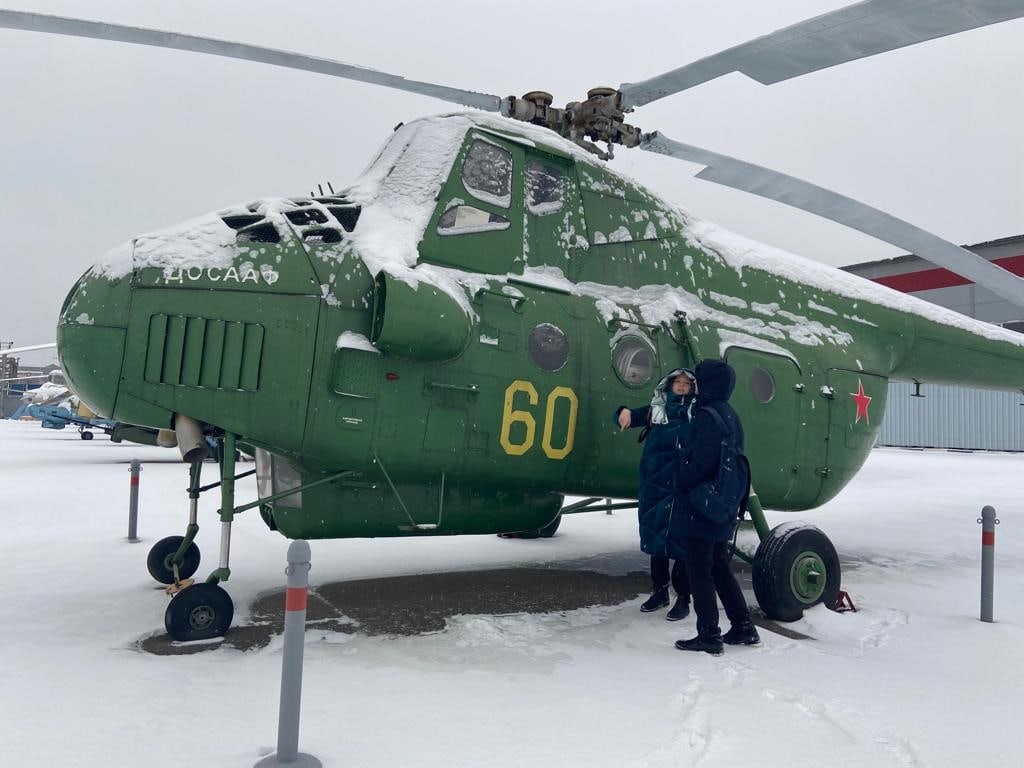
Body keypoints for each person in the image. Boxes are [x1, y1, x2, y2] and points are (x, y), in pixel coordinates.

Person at [670, 359, 760, 654]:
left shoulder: (707, 416)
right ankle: (743, 626)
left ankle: (709, 634)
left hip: (702, 506)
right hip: (722, 503)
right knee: (719, 566)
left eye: (697, 381)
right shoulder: (730, 414)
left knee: (700, 570)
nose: (694, 386)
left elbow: (701, 463)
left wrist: (681, 478)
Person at [614, 368, 695, 621]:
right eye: (677, 383)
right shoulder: (656, 411)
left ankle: (683, 598)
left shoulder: (697, 415)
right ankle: (660, 591)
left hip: (682, 487)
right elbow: (632, 415)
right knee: (656, 541)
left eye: (686, 384)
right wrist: (623, 413)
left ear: (693, 389)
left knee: (682, 545)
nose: (681, 387)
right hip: (655, 484)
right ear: (669, 386)